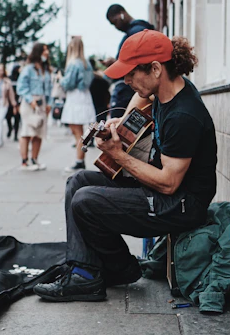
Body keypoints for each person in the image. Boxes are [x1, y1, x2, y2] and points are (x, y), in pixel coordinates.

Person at [33, 30, 217, 303]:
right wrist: (122, 122)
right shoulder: (167, 87)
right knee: (78, 182)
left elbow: (169, 182)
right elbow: (142, 100)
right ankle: (96, 271)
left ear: (155, 69)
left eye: (131, 74)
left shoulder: (183, 115)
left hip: (181, 205)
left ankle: (103, 272)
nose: (126, 80)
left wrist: (118, 155)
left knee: (86, 200)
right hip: (162, 192)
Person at [105, 4, 154, 118]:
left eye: (115, 22)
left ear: (122, 14)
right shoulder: (135, 31)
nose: (116, 27)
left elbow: (136, 62)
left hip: (129, 91)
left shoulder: (135, 32)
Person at [60, 36, 95, 172]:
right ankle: (80, 160)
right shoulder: (87, 63)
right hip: (85, 96)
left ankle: (79, 161)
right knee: (80, 132)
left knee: (77, 132)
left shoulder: (73, 63)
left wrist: (60, 79)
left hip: (75, 98)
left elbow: (68, 83)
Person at [17, 43, 52, 171]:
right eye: (44, 50)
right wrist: (30, 99)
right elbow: (21, 87)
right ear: (38, 52)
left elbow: (49, 88)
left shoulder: (46, 69)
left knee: (39, 132)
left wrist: (49, 103)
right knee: (27, 131)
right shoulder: (28, 69)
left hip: (42, 102)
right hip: (29, 103)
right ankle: (24, 162)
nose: (47, 52)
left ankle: (34, 159)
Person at [89, 58, 110, 123]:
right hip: (102, 103)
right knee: (101, 122)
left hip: (93, 103)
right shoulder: (100, 76)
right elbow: (107, 88)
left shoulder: (89, 78)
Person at [6, 65, 21, 141]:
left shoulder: (21, 78)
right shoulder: (10, 78)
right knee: (8, 117)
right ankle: (10, 128)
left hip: (18, 101)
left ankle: (15, 135)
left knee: (17, 119)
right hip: (9, 101)